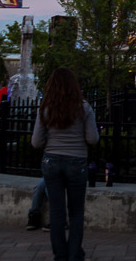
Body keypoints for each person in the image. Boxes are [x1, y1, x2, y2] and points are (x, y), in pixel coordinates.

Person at [30, 68, 100, 261]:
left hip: (51, 160)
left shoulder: (45, 108)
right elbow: (92, 138)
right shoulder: (84, 108)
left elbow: (36, 142)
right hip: (77, 161)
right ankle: (75, 253)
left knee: (57, 210)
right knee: (76, 211)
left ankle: (60, 254)